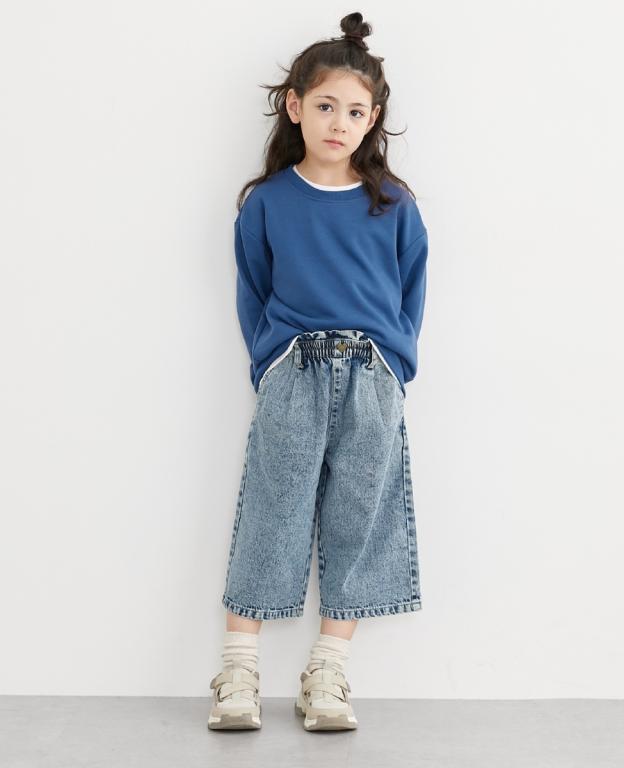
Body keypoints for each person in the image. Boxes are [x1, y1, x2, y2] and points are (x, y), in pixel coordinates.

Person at [207, 11, 429, 732]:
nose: (340, 123)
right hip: (293, 374)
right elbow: (254, 291)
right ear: (295, 105)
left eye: (356, 111)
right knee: (272, 512)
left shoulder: (393, 205)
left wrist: (392, 364)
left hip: (372, 376)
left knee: (360, 519)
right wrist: (272, 364)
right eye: (326, 106)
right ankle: (238, 671)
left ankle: (328, 671)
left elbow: (410, 293)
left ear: (373, 120)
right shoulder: (268, 203)